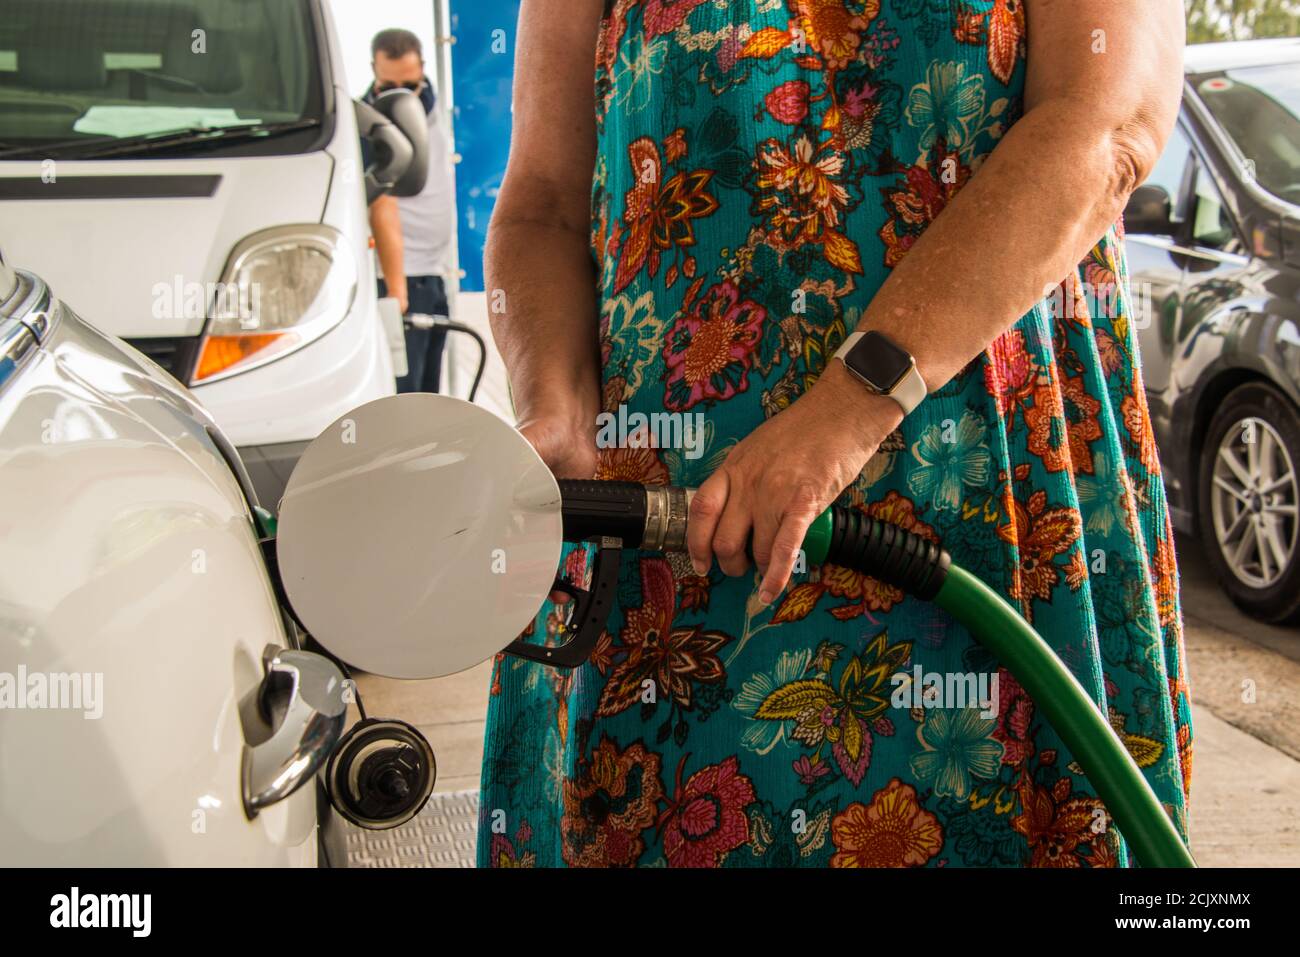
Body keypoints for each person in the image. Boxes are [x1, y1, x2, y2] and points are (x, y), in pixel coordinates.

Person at [479, 0, 1193, 868]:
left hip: (983, 503)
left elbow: (1106, 124)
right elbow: (543, 205)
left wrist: (843, 412)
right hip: (659, 539)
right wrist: (552, 411)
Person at [365, 28, 456, 393]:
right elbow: (381, 204)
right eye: (389, 87)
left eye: (410, 84)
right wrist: (396, 288)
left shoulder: (437, 110)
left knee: (430, 394)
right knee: (406, 396)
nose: (401, 97)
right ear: (373, 70)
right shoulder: (371, 125)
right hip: (398, 283)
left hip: (434, 276)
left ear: (422, 70)